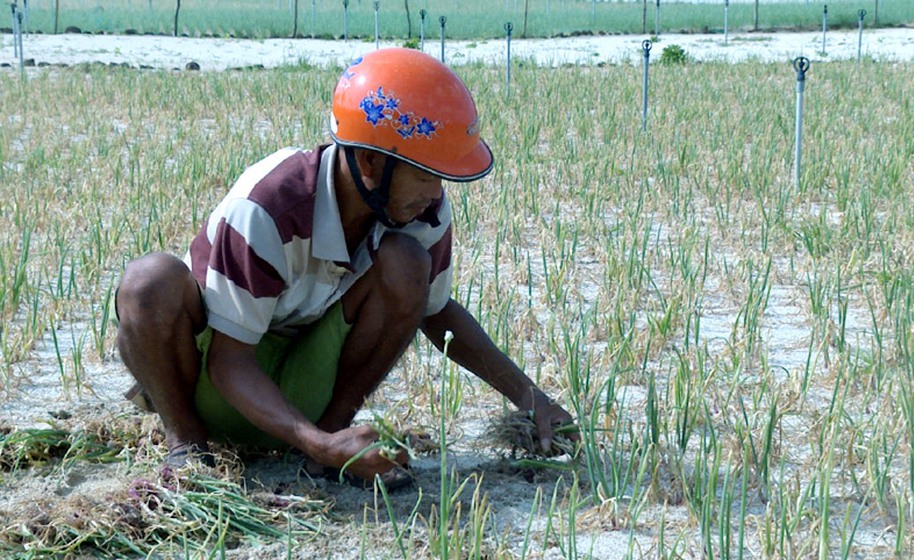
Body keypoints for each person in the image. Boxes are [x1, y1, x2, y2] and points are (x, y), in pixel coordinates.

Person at [115, 48, 574, 487]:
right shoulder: (267, 208)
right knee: (147, 281)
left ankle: (332, 437)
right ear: (371, 161)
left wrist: (529, 396)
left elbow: (437, 313)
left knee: (408, 263)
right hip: (213, 379)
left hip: (300, 382)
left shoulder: (420, 209)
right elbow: (230, 360)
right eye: (425, 174)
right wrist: (316, 442)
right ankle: (188, 446)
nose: (436, 194)